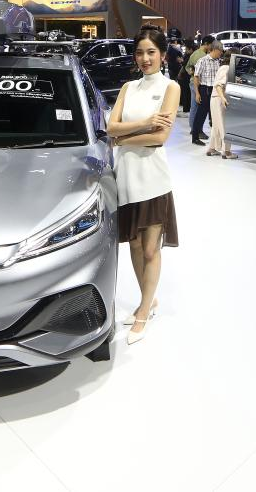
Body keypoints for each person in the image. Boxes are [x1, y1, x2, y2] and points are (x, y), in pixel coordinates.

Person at [106, 25, 181, 345]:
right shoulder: (128, 87)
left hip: (153, 178)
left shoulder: (171, 87)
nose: (145, 58)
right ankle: (147, 300)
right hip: (127, 178)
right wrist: (144, 123)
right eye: (140, 52)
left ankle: (143, 311)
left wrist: (125, 137)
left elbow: (160, 138)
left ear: (163, 55)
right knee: (135, 245)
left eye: (151, 52)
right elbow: (111, 128)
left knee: (151, 248)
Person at [191, 39, 223, 146]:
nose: (221, 53)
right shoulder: (202, 60)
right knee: (201, 114)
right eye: (220, 50)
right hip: (204, 90)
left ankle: (216, 139)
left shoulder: (218, 62)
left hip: (214, 90)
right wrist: (197, 93)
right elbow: (196, 77)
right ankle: (195, 137)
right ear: (215, 49)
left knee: (214, 115)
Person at [208, 49, 238, 159]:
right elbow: (219, 85)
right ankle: (227, 151)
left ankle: (212, 148)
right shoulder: (227, 68)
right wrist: (223, 98)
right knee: (224, 125)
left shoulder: (222, 67)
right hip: (220, 99)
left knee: (216, 125)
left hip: (215, 98)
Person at [185, 36, 211, 135]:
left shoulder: (195, 53)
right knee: (198, 108)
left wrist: (191, 72)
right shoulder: (201, 56)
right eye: (211, 45)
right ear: (207, 44)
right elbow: (199, 73)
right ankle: (196, 130)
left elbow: (187, 67)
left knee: (194, 107)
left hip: (193, 82)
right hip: (198, 84)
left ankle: (194, 129)